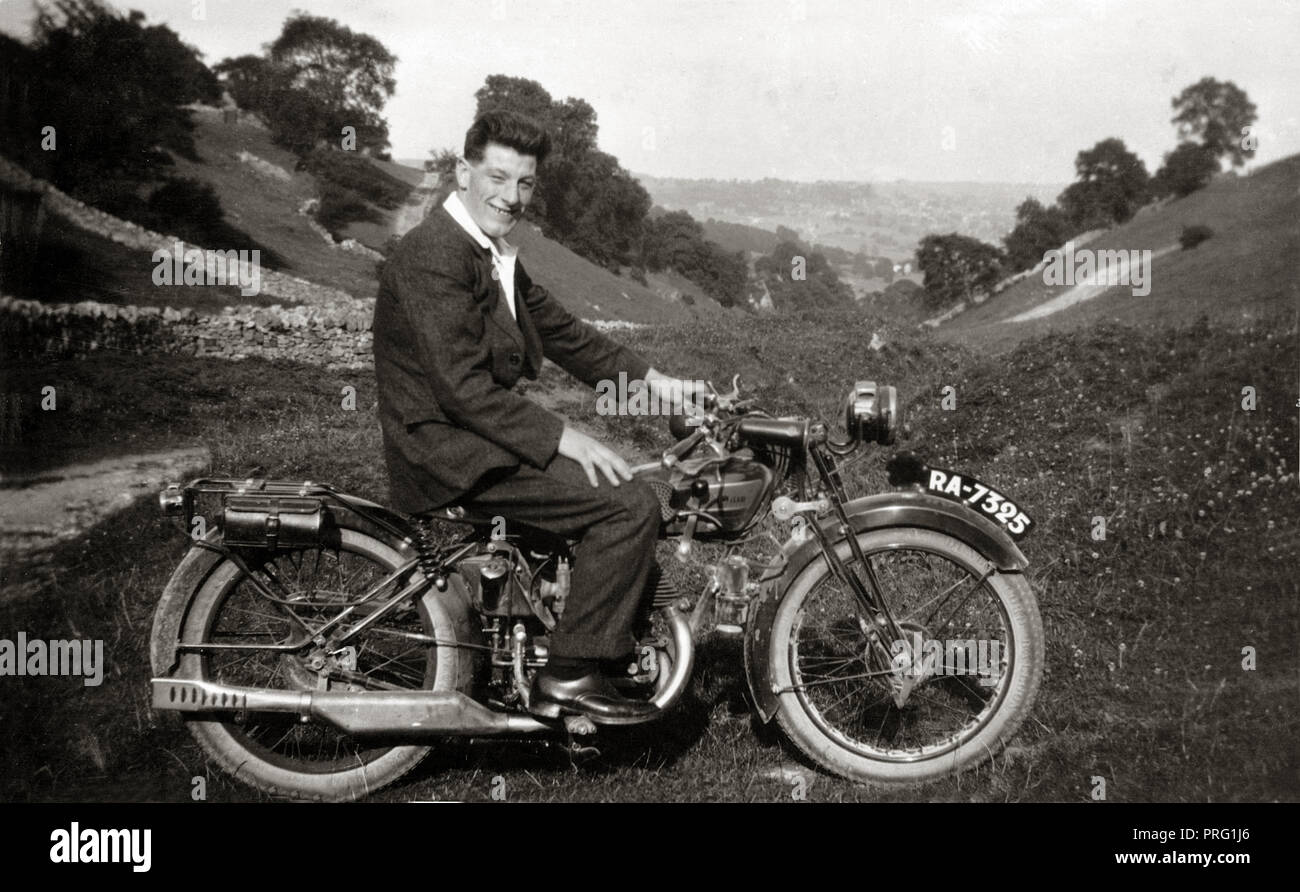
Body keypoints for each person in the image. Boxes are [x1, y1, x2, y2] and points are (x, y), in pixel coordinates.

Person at [372, 110, 697, 720]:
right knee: (628, 504)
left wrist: (659, 384)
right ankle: (572, 675)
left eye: (524, 183)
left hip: (470, 435)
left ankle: (553, 624)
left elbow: (566, 336)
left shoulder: (487, 251)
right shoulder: (435, 256)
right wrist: (563, 438)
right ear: (463, 173)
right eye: (498, 178)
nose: (511, 196)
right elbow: (463, 389)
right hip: (445, 450)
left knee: (610, 487)